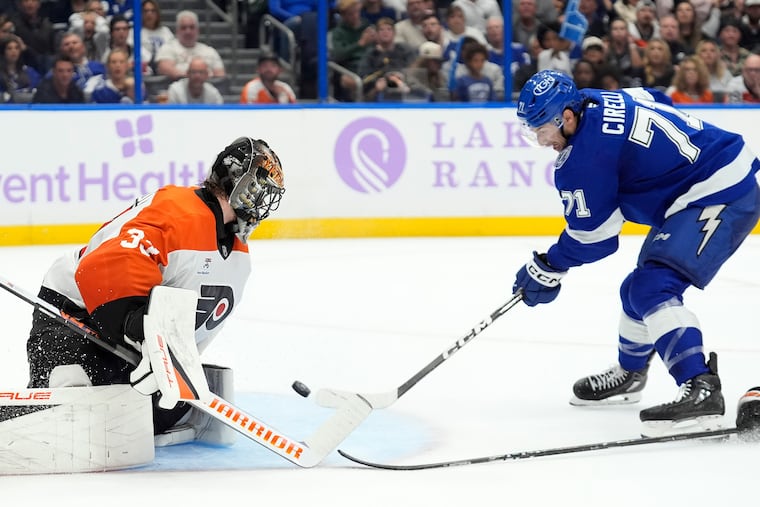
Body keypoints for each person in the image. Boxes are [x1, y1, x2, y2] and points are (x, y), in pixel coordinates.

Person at [513, 69, 760, 437]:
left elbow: (596, 238)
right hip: (702, 182)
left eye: (542, 130)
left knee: (653, 288)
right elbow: (656, 97)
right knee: (636, 288)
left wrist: (548, 266)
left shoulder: (582, 159)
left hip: (722, 190)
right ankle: (631, 372)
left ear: (566, 117)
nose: (540, 139)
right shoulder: (596, 97)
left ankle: (700, 385)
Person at [19, 137, 284, 440]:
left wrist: (169, 359)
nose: (265, 201)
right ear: (239, 183)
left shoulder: (238, 256)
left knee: (155, 414)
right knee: (71, 395)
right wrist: (139, 327)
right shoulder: (177, 210)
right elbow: (102, 266)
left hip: (136, 342)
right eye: (262, 188)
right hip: (77, 311)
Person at [155, 10, 225, 81]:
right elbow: (164, 68)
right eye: (183, 28)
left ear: (198, 30)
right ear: (177, 31)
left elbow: (220, 76)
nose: (188, 31)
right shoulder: (168, 48)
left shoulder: (210, 51)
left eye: (192, 27)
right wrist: (195, 79)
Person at [0, 35, 40, 102]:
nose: (13, 51)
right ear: (3, 52)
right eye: (9, 48)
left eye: (17, 48)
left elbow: (38, 91)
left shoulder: (29, 72)